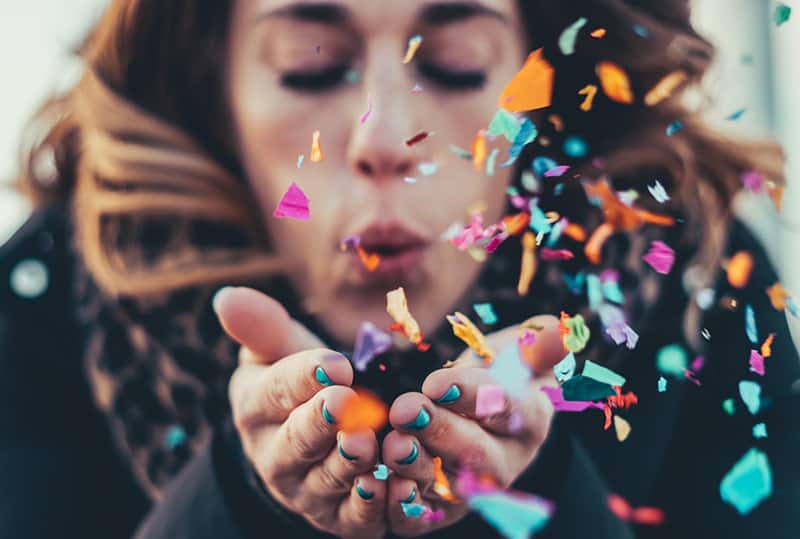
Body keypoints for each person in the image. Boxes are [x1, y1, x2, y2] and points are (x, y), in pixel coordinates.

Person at [1, 0, 797, 537]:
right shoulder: (45, 311)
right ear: (215, 90)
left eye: (454, 64)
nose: (384, 139)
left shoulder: (699, 286)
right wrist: (237, 500)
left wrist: (539, 492)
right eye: (308, 67)